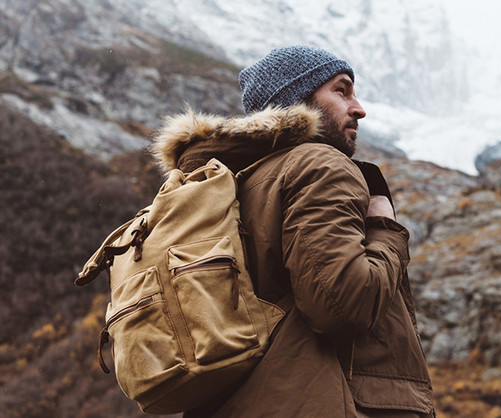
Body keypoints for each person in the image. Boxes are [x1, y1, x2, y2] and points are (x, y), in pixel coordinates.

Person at [152, 45, 434, 417]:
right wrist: (385, 226)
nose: (359, 108)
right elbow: (343, 307)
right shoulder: (318, 164)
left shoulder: (235, 184)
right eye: (341, 90)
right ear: (297, 101)